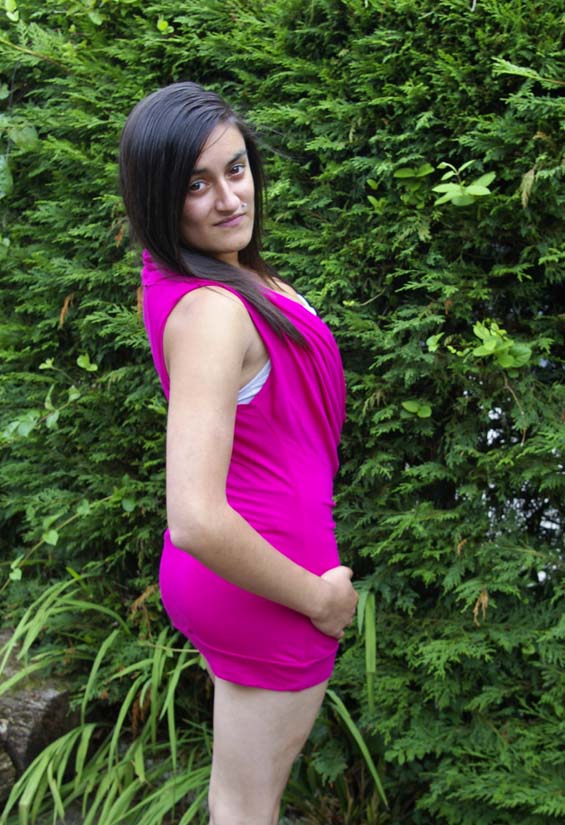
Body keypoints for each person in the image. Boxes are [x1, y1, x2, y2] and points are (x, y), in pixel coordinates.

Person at [119, 81, 358, 825]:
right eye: (196, 186)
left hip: (248, 575)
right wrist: (318, 599)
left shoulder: (196, 274)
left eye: (236, 168)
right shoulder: (212, 312)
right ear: (159, 200)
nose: (229, 199)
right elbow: (193, 516)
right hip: (272, 587)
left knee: (239, 800)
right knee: (246, 809)